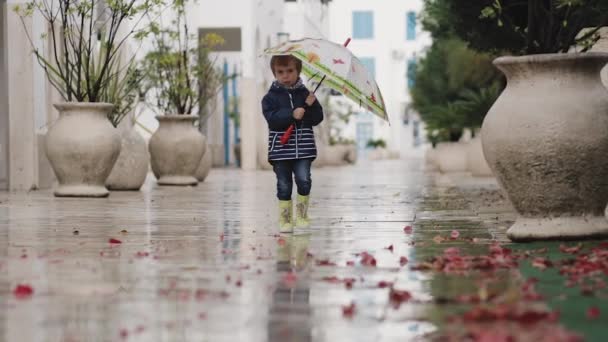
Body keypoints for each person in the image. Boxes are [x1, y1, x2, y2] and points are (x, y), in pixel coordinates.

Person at [261, 55, 324, 233]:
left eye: (290, 71)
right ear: (274, 73)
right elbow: (272, 119)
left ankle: (302, 215)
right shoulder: (270, 98)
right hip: (280, 150)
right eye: (280, 72)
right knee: (284, 184)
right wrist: (291, 113)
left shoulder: (306, 95)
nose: (285, 75)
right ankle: (285, 218)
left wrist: (309, 106)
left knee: (304, 180)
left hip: (303, 149)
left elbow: (317, 118)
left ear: (298, 71)